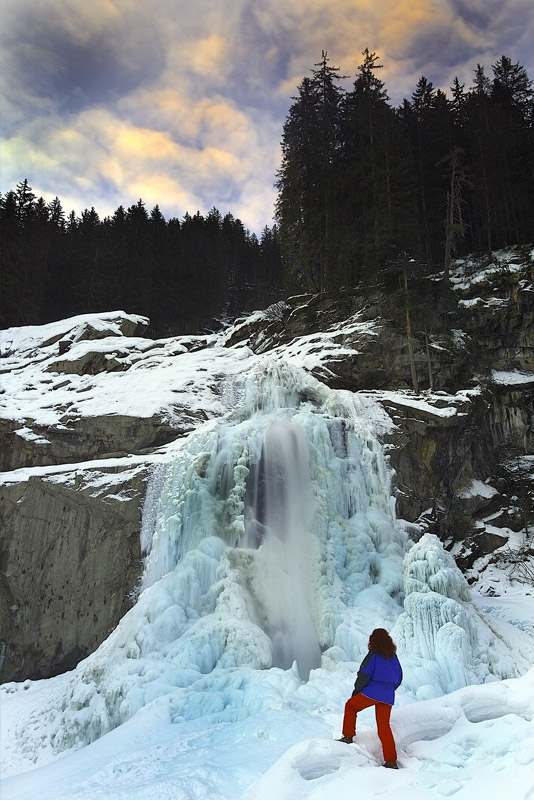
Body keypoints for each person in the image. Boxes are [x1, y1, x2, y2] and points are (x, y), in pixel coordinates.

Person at [337, 628, 402, 769]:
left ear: (373, 641)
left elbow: (364, 674)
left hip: (372, 692)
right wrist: (388, 691)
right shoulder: (393, 656)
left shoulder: (373, 655)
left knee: (351, 706)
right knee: (384, 727)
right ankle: (391, 761)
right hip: (388, 696)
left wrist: (357, 691)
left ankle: (348, 736)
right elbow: (399, 677)